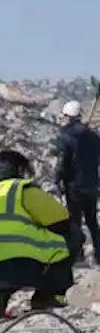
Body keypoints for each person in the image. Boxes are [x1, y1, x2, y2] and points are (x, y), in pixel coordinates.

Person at [0, 150, 73, 319]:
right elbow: (61, 219)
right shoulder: (20, 189)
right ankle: (48, 294)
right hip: (16, 263)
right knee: (72, 236)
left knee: (4, 257)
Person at [55, 99, 100, 264]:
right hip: (92, 185)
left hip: (74, 186)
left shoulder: (65, 137)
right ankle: (99, 255)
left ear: (68, 117)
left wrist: (57, 179)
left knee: (74, 222)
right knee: (92, 222)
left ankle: (78, 256)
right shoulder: (93, 137)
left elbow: (62, 161)